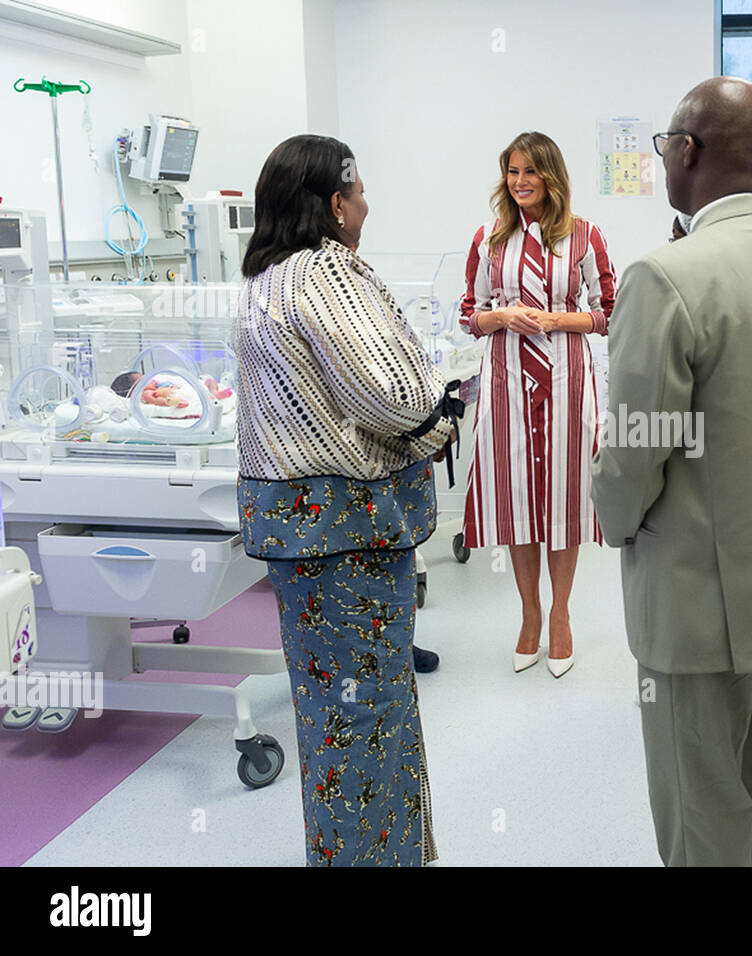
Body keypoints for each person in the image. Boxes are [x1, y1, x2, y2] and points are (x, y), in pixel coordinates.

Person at [591, 77, 752, 866]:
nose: (663, 156)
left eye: (666, 143)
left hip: (699, 605)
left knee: (702, 807)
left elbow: (636, 448)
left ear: (687, 150)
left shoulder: (667, 276)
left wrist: (612, 518)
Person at [236, 134, 460, 865]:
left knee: (329, 716)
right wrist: (450, 406)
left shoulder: (265, 280)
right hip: (348, 539)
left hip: (296, 539)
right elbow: (393, 395)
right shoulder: (328, 272)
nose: (368, 203)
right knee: (370, 717)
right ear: (335, 204)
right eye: (359, 191)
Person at [458, 131, 617, 679]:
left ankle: (562, 613)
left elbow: (608, 313)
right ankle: (529, 614)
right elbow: (469, 314)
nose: (520, 181)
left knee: (564, 499)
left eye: (530, 171)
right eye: (512, 171)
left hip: (568, 383)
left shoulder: (584, 237)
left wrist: (552, 319)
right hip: (505, 384)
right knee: (519, 499)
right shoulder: (488, 239)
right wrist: (502, 316)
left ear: (552, 176)